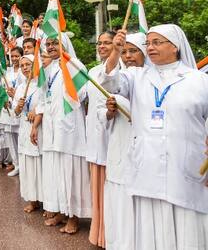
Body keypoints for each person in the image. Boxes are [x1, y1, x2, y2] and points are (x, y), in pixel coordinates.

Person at [101, 25, 208, 249]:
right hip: (146, 168)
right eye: (148, 43)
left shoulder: (198, 80)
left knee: (186, 226)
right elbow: (110, 82)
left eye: (157, 42)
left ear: (175, 47)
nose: (150, 47)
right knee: (150, 232)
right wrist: (115, 51)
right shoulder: (136, 76)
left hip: (185, 169)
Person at [40, 36, 91, 235]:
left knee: (70, 174)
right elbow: (45, 97)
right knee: (55, 173)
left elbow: (84, 93)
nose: (51, 47)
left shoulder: (75, 65)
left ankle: (74, 217)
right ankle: (61, 211)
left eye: (55, 43)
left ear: (65, 45)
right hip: (52, 130)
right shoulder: (50, 69)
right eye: (48, 44)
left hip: (70, 131)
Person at [100, 33, 146, 250]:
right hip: (120, 148)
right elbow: (110, 81)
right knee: (119, 203)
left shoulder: (152, 77)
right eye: (124, 52)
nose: (128, 56)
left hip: (146, 154)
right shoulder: (125, 77)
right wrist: (109, 112)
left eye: (133, 51)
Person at [86, 31, 115, 248]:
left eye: (108, 43)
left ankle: (112, 234)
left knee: (111, 189)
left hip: (114, 137)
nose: (102, 46)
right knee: (98, 188)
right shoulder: (92, 70)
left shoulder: (123, 71)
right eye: (100, 43)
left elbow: (110, 76)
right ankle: (98, 233)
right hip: (95, 136)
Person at [13, 54, 43, 213]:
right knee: (27, 165)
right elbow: (15, 112)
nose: (25, 67)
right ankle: (32, 200)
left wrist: (35, 110)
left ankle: (45, 200)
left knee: (39, 164)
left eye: (28, 64)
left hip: (38, 128)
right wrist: (18, 106)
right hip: (24, 129)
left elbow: (46, 104)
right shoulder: (20, 87)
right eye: (22, 65)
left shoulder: (42, 84)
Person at [2, 46, 23, 176]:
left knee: (20, 138)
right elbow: (2, 88)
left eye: (17, 56)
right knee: (9, 137)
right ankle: (16, 164)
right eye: (12, 56)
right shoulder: (7, 71)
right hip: (7, 108)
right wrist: (4, 98)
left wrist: (15, 96)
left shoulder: (25, 70)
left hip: (19, 108)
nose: (14, 58)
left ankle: (23, 163)